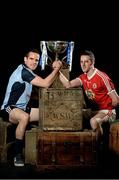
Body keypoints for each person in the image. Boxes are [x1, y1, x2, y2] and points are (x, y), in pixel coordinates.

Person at [0, 48, 62, 167]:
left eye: (36, 60)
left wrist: (53, 66)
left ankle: (50, 150)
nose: (34, 62)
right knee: (24, 117)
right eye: (31, 59)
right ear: (25, 59)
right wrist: (57, 69)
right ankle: (17, 155)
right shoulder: (23, 72)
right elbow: (45, 83)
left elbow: (44, 84)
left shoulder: (30, 72)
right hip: (8, 108)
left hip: (22, 108)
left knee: (47, 114)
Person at [59, 50, 119, 135]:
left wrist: (108, 111)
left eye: (86, 62)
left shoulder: (102, 77)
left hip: (108, 111)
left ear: (92, 62)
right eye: (81, 62)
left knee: (93, 121)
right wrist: (57, 70)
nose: (83, 64)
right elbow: (68, 84)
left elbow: (116, 100)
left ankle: (98, 147)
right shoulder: (83, 77)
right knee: (72, 114)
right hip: (94, 111)